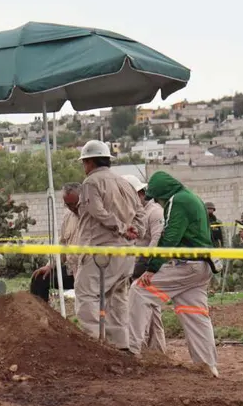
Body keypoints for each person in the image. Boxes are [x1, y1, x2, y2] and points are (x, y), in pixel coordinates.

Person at [127, 171, 219, 377]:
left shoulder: (177, 201)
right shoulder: (192, 198)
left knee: (138, 290)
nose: (157, 203)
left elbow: (170, 237)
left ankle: (131, 350)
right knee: (195, 316)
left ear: (163, 194)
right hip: (201, 267)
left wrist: (152, 268)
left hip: (186, 266)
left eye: (158, 199)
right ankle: (208, 367)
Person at [73, 140, 144, 349]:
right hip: (126, 252)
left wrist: (122, 227)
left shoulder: (91, 183)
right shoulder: (125, 183)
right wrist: (135, 231)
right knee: (117, 298)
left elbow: (98, 212)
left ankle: (94, 346)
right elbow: (140, 213)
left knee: (86, 294)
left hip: (101, 251)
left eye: (84, 162)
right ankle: (121, 345)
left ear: (89, 162)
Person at [125, 176, 165, 353]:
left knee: (148, 307)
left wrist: (148, 265)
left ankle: (147, 348)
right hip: (140, 263)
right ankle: (155, 349)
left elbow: (157, 239)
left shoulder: (154, 212)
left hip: (149, 266)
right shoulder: (138, 213)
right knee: (150, 308)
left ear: (140, 194)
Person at [30, 183, 83, 301]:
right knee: (40, 279)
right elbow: (62, 246)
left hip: (89, 272)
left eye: (75, 203)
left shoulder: (92, 217)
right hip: (71, 270)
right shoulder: (67, 217)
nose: (72, 207)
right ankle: (42, 317)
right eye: (68, 204)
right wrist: (50, 265)